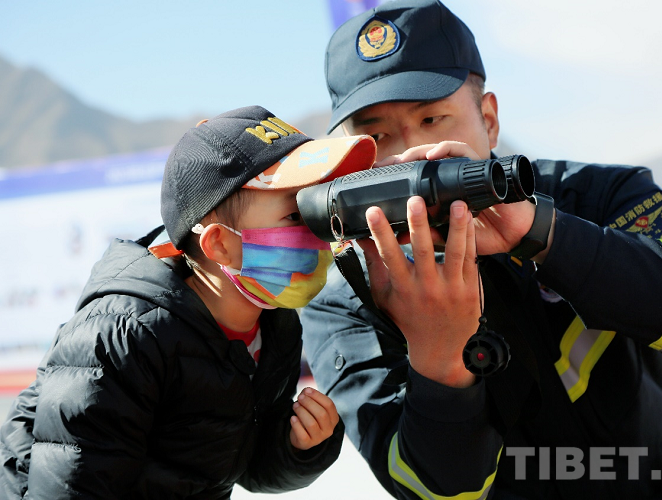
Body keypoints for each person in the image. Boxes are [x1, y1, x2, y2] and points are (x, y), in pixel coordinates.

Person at [299, 1, 662, 499]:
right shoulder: (347, 297)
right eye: (377, 135)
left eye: (432, 118)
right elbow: (431, 491)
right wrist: (440, 356)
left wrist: (547, 236)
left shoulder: (588, 197)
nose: (410, 154)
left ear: (488, 120)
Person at [0, 105, 379, 499]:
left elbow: (246, 467)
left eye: (317, 208)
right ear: (220, 244)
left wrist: (299, 448)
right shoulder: (122, 337)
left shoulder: (276, 326)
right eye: (295, 216)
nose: (319, 229)